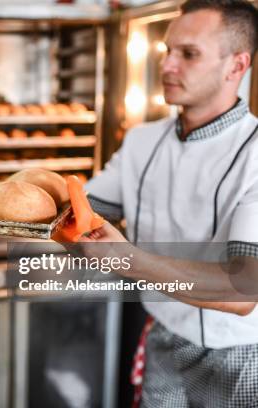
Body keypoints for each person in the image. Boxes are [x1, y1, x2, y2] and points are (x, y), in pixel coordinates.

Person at [80, 0, 258, 406]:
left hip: (240, 354)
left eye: (189, 54)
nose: (167, 66)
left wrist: (124, 258)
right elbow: (86, 210)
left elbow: (244, 289)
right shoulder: (143, 140)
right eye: (167, 51)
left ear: (236, 66)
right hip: (162, 332)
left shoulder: (255, 153)